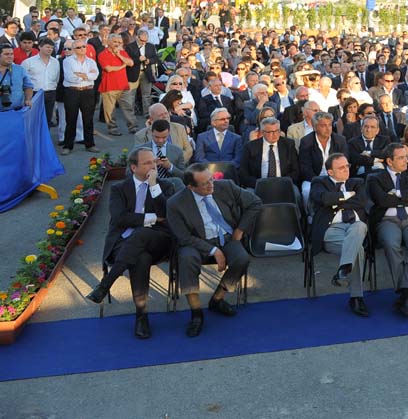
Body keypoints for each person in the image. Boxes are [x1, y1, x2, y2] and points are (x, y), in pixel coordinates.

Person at [85, 145, 179, 338]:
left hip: (159, 241)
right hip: (124, 242)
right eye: (147, 163)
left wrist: (154, 187)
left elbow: (168, 215)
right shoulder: (119, 189)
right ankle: (141, 317)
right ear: (134, 167)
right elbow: (119, 218)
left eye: (154, 161)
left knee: (142, 234)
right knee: (140, 257)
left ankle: (105, 285)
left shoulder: (165, 186)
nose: (153, 166)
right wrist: (152, 218)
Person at [166, 163, 261, 338]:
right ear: (190, 187)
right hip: (196, 242)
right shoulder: (175, 203)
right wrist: (214, 251)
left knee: (242, 258)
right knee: (187, 259)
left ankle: (217, 299)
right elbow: (184, 237)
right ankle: (196, 314)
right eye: (205, 184)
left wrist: (240, 230)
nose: (211, 185)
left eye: (211, 179)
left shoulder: (225, 186)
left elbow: (255, 202)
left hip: (227, 236)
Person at [366, 142, 408, 316]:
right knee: (390, 243)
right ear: (389, 161)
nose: (406, 160)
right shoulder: (375, 178)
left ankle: (405, 292)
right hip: (387, 220)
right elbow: (382, 201)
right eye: (401, 157)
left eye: (406, 156)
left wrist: (398, 194)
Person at [309, 153, 370, 317]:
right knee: (358, 250)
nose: (346, 170)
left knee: (360, 226)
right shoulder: (319, 182)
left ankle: (344, 272)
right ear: (330, 172)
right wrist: (348, 195)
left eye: (347, 166)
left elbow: (362, 202)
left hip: (355, 228)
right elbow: (324, 198)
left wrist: (336, 201)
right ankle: (356, 297)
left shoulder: (357, 182)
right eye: (341, 168)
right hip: (331, 230)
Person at [60, 40, 100, 153]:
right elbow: (69, 77)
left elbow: (95, 75)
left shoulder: (91, 61)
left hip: (87, 92)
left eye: (84, 46)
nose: (82, 49)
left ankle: (90, 144)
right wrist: (87, 75)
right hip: (72, 91)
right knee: (71, 119)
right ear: (74, 49)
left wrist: (81, 75)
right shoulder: (68, 61)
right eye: (78, 47)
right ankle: (68, 146)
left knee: (88, 119)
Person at [240, 116, 299, 188]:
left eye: (277, 131)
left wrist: (283, 183)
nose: (274, 134)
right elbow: (244, 173)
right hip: (258, 185)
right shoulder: (250, 147)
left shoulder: (288, 145)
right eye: (270, 132)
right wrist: (259, 184)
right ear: (262, 132)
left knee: (296, 196)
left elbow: (296, 171)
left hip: (284, 185)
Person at [97, 33, 136, 135]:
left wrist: (119, 55)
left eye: (119, 42)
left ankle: (133, 127)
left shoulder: (122, 52)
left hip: (123, 85)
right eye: (115, 42)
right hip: (109, 86)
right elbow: (108, 69)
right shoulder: (102, 54)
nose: (117, 44)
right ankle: (112, 128)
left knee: (128, 107)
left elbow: (131, 63)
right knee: (110, 110)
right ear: (109, 42)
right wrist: (123, 66)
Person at [0, 44, 33, 110]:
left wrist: (28, 99)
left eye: (11, 54)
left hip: (17, 112)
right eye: (6, 54)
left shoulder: (20, 69)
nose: (10, 56)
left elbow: (28, 87)